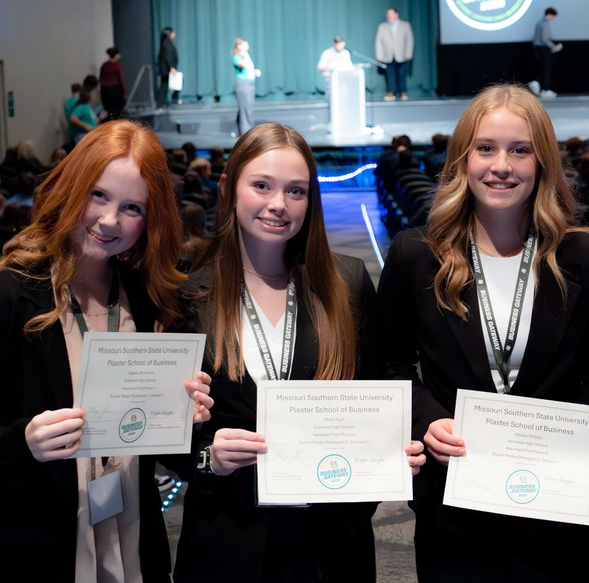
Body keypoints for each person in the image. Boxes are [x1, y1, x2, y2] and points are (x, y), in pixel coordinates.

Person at [0, 119, 213, 582]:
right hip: (36, 546)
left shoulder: (145, 299)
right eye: (99, 195)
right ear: (71, 187)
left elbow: (149, 438)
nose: (109, 220)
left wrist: (182, 413)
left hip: (131, 537)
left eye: (132, 207)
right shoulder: (6, 297)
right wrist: (21, 441)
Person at [380, 84, 589, 581]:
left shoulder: (588, 258)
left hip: (553, 505)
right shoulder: (414, 255)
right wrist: (428, 420)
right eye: (485, 148)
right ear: (462, 159)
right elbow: (390, 363)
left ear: (543, 162)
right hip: (453, 501)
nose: (501, 165)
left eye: (520, 150)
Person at [171, 122, 424, 581]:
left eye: (296, 191)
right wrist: (209, 456)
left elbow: (378, 389)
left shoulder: (347, 284)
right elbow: (165, 438)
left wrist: (386, 451)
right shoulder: (187, 292)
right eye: (261, 185)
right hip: (228, 541)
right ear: (228, 187)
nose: (278, 205)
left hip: (330, 544)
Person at [375, 7, 414, 101]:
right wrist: (379, 55)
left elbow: (410, 40)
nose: (388, 16)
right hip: (388, 55)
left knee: (402, 74)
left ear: (396, 15)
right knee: (389, 74)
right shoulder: (382, 26)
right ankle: (391, 91)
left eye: (390, 14)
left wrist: (408, 53)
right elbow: (378, 41)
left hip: (401, 54)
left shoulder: (405, 25)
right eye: (387, 14)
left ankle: (403, 91)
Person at [231, 37, 262, 136]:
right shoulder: (237, 56)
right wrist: (245, 56)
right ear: (239, 46)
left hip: (250, 84)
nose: (247, 46)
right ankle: (245, 132)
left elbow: (248, 69)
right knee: (245, 107)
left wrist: (254, 71)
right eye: (245, 44)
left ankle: (240, 129)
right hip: (243, 84)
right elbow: (243, 65)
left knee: (247, 107)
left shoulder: (245, 55)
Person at [531, 7, 562, 99]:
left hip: (538, 48)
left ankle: (540, 85)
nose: (552, 19)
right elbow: (544, 39)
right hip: (543, 48)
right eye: (552, 17)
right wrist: (554, 46)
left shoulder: (539, 22)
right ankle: (544, 88)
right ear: (549, 14)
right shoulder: (544, 24)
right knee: (546, 69)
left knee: (542, 68)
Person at [99, 46, 128, 117]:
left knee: (108, 108)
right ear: (116, 55)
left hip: (104, 89)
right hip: (115, 89)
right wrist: (125, 91)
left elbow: (101, 77)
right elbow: (121, 80)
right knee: (117, 109)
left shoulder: (104, 65)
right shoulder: (118, 66)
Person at [158, 26, 180, 106]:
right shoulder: (167, 44)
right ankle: (160, 104)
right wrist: (171, 67)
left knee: (166, 86)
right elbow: (168, 56)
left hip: (167, 69)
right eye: (173, 32)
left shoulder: (167, 43)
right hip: (166, 70)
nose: (174, 34)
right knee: (164, 86)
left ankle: (163, 102)